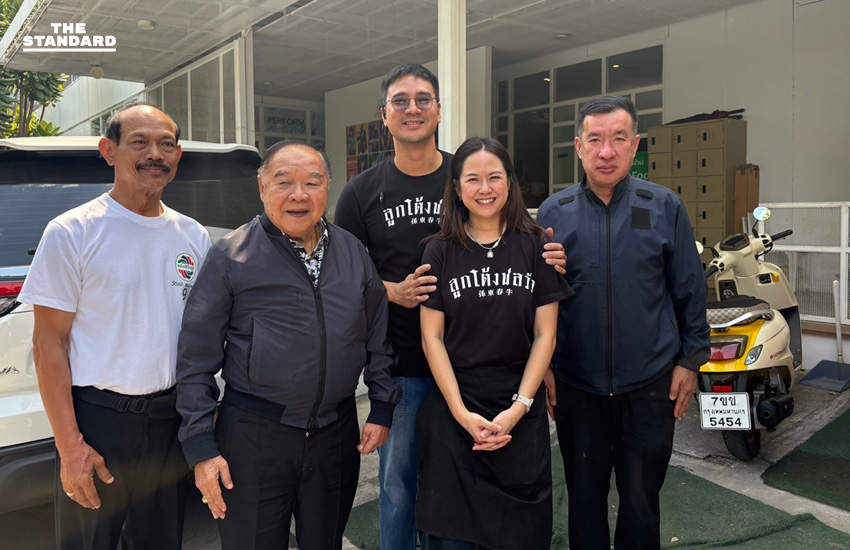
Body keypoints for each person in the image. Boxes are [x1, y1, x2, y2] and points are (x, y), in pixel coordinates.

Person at [334, 63, 567, 550]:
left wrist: (548, 264)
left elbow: (523, 278)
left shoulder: (467, 173)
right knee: (401, 484)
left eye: (423, 99)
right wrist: (389, 291)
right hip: (403, 363)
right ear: (385, 115)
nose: (412, 108)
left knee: (471, 491)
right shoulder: (360, 193)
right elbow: (345, 276)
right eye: (401, 100)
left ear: (439, 110)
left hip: (487, 371)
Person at [176, 140, 399, 550]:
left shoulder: (353, 252)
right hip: (254, 437)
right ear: (262, 189)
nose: (299, 195)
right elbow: (195, 359)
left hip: (335, 435)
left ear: (327, 188)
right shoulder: (231, 256)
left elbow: (377, 336)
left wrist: (382, 405)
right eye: (284, 183)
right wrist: (200, 448)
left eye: (312, 183)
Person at [20, 102, 210, 549]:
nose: (154, 154)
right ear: (109, 151)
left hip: (168, 422)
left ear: (178, 156)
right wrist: (70, 448)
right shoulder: (73, 232)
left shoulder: (193, 236)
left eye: (166, 144)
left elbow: (200, 337)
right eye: (139, 142)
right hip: (98, 423)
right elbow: (49, 345)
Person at [537, 96, 711, 549]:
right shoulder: (554, 213)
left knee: (641, 502)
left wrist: (690, 362)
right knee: (584, 500)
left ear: (636, 147)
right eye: (595, 139)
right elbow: (540, 300)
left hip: (650, 385)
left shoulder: (664, 207)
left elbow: (690, 291)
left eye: (618, 139)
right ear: (579, 146)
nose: (606, 151)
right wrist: (548, 369)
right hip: (578, 386)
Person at [417, 137, 573, 550]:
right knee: (452, 538)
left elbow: (546, 334)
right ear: (456, 188)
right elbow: (432, 338)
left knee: (520, 536)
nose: (484, 189)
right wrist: (461, 413)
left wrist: (518, 408)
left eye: (494, 177)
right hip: (456, 412)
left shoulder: (537, 246)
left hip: (519, 410)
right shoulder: (440, 250)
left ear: (510, 185)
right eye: (473, 179)